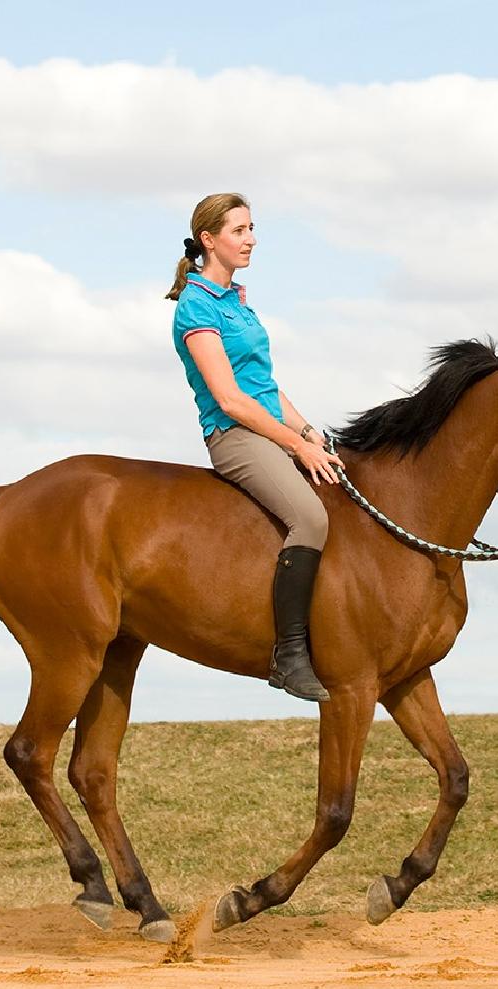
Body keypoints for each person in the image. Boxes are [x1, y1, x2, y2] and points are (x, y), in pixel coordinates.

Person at [166, 193, 344, 703]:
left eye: (251, 229)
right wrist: (293, 444)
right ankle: (289, 655)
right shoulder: (195, 306)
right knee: (310, 519)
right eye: (239, 231)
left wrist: (312, 434)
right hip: (235, 435)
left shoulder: (237, 300)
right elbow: (230, 398)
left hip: (270, 425)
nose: (251, 240)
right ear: (209, 240)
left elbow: (264, 383)